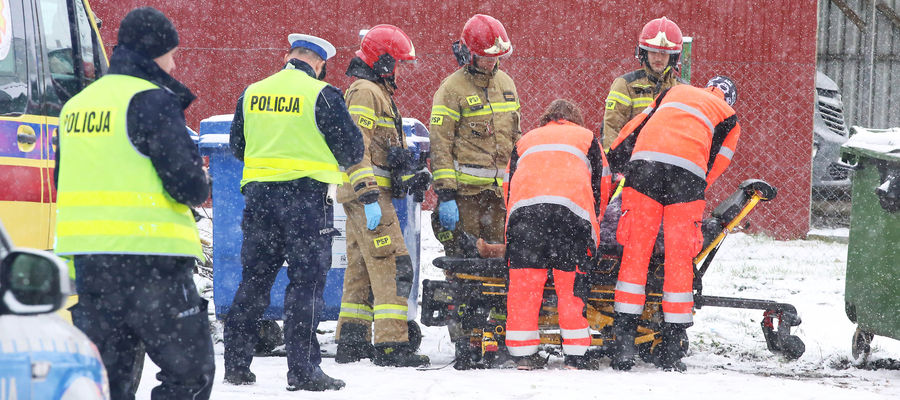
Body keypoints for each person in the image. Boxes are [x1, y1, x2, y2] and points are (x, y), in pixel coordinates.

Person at [54, 7, 214, 399]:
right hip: (152, 262)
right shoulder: (151, 100)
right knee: (189, 375)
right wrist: (201, 178)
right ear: (154, 50)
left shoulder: (76, 106)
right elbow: (188, 186)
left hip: (93, 266)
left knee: (107, 382)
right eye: (172, 53)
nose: (174, 63)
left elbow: (63, 180)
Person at [224, 33, 364, 391]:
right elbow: (351, 149)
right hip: (306, 201)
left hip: (259, 200)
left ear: (288, 56)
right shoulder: (322, 94)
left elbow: (237, 146)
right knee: (305, 283)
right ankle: (303, 370)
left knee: (254, 279)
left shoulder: (252, 92)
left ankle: (236, 365)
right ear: (319, 64)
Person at [606, 76, 741, 371]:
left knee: (635, 252)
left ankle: (624, 342)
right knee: (679, 258)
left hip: (644, 167)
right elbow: (717, 162)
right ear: (728, 100)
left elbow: (635, 126)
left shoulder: (674, 91)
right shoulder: (729, 117)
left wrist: (614, 161)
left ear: (706, 87)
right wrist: (693, 190)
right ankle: (670, 345)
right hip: (687, 176)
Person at [333, 25, 431, 368]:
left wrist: (406, 171)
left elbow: (378, 149)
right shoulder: (365, 92)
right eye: (398, 63)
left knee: (361, 267)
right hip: (369, 196)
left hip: (368, 194)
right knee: (393, 263)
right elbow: (355, 146)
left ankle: (352, 340)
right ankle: (392, 344)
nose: (400, 70)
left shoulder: (373, 90)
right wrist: (369, 194)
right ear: (384, 60)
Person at [429, 14, 521, 367]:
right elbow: (440, 145)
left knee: (500, 265)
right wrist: (446, 193)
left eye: (496, 56)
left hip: (499, 196)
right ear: (468, 54)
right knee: (463, 268)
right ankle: (465, 338)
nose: (491, 62)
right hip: (464, 195)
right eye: (485, 56)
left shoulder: (507, 84)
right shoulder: (451, 89)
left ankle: (496, 335)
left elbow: (516, 139)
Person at [503, 100, 612, 370]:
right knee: (570, 288)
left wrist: (515, 227)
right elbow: (602, 184)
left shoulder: (525, 140)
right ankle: (576, 356)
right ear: (575, 119)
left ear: (546, 119)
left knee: (524, 289)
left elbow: (507, 186)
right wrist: (593, 225)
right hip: (570, 218)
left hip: (525, 218)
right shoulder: (587, 138)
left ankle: (523, 354)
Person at [601, 16, 683, 150]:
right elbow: (611, 127)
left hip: (669, 162)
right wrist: (614, 162)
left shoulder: (682, 89)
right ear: (644, 53)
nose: (658, 58)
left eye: (663, 53)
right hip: (632, 161)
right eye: (653, 52)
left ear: (673, 56)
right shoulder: (625, 85)